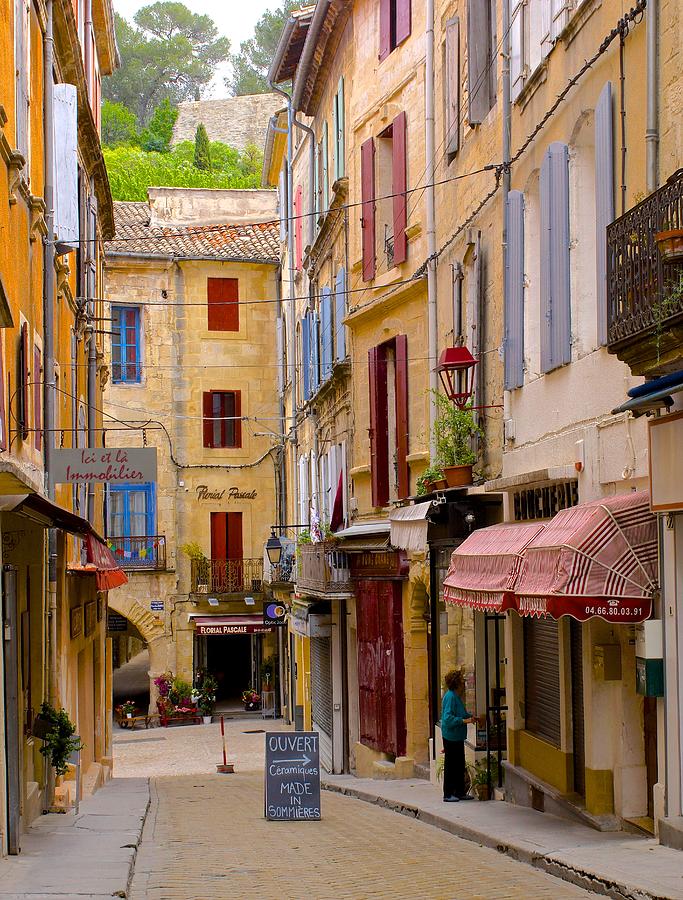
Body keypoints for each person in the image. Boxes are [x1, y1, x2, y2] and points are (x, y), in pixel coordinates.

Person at [440, 669, 475, 802]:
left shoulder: (455, 696)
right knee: (451, 765)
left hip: (457, 736)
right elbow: (448, 718)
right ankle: (448, 794)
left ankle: (460, 792)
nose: (463, 685)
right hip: (451, 736)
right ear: (457, 683)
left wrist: (470, 717)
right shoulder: (450, 697)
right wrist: (463, 721)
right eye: (462, 682)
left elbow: (460, 713)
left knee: (459, 764)